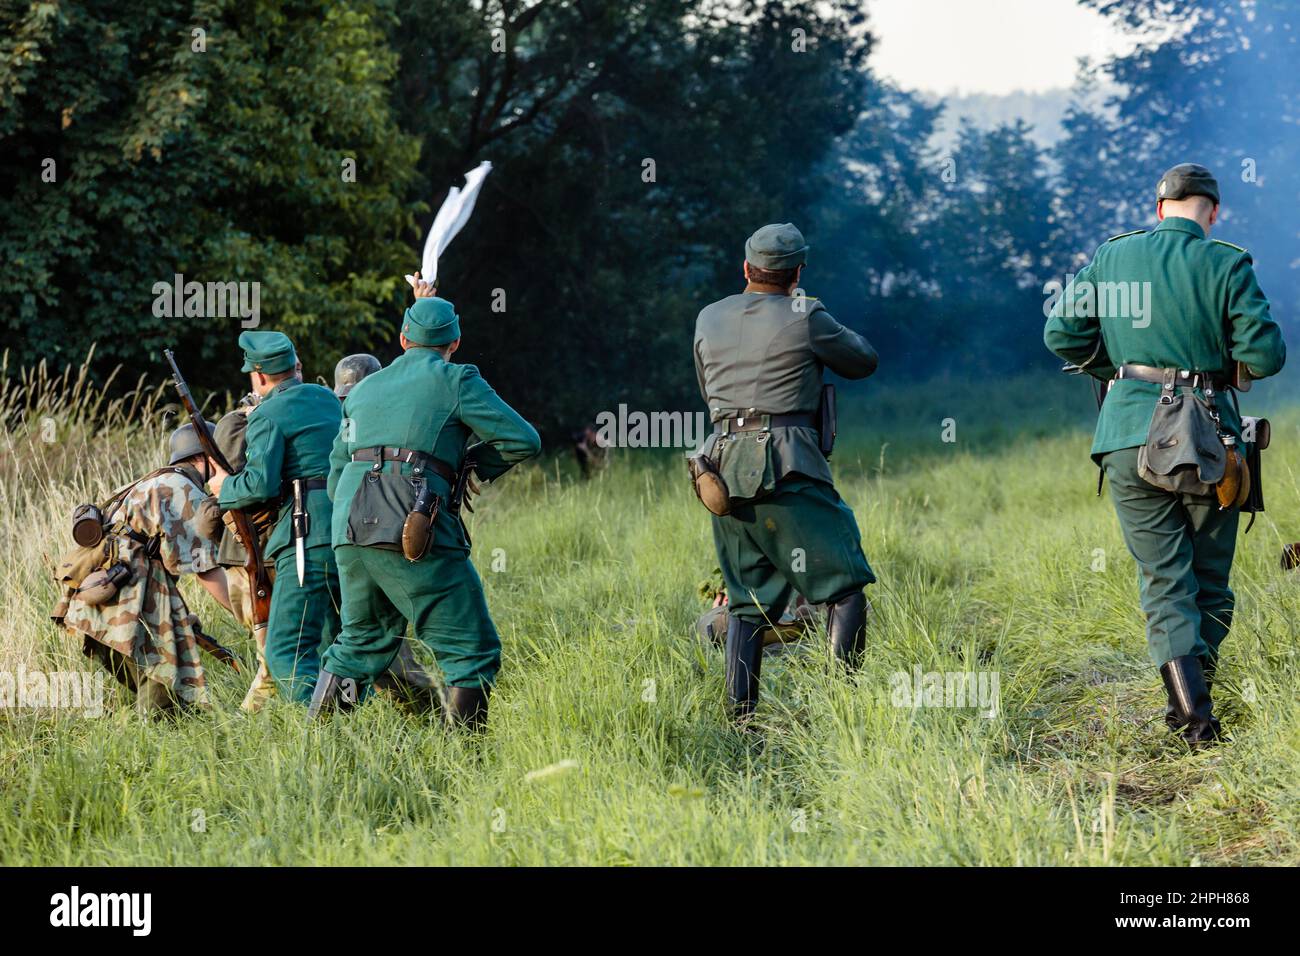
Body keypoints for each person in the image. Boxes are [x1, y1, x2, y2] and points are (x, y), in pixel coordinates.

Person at [1044, 163, 1286, 747]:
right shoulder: (1228, 261)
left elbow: (1061, 335)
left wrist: (1125, 374)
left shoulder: (1113, 257)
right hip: (1209, 442)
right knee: (1209, 580)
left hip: (1127, 439)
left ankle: (1190, 714)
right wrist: (1224, 366)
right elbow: (1266, 353)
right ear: (1213, 212)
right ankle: (1197, 710)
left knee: (1163, 579)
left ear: (1159, 209)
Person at [309, 285, 541, 728]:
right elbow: (523, 439)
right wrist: (472, 464)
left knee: (358, 640)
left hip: (349, 529)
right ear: (453, 344)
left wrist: (352, 526)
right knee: (473, 650)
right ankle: (462, 763)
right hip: (412, 525)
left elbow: (337, 469)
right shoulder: (457, 378)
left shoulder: (362, 390)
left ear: (402, 340)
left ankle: (317, 748)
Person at [693, 222, 879, 726]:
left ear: (746, 269)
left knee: (748, 606)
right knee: (844, 589)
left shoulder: (709, 316)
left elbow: (708, 387)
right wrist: (809, 306)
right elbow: (863, 360)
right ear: (796, 272)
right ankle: (845, 714)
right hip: (787, 464)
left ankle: (740, 725)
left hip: (720, 472)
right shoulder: (806, 312)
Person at [52, 422, 232, 715]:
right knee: (163, 685)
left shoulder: (149, 482)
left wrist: (182, 617)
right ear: (203, 458)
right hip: (123, 602)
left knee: (170, 698)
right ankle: (154, 745)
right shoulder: (182, 489)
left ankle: (160, 734)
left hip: (99, 605)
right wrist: (249, 619)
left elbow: (155, 561)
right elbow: (205, 570)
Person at [207, 332, 343, 705]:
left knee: (285, 652)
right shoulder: (329, 399)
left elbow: (261, 485)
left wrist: (224, 486)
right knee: (341, 642)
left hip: (307, 537)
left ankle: (316, 731)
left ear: (259, 377)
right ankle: (347, 720)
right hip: (352, 531)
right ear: (295, 367)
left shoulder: (267, 413)